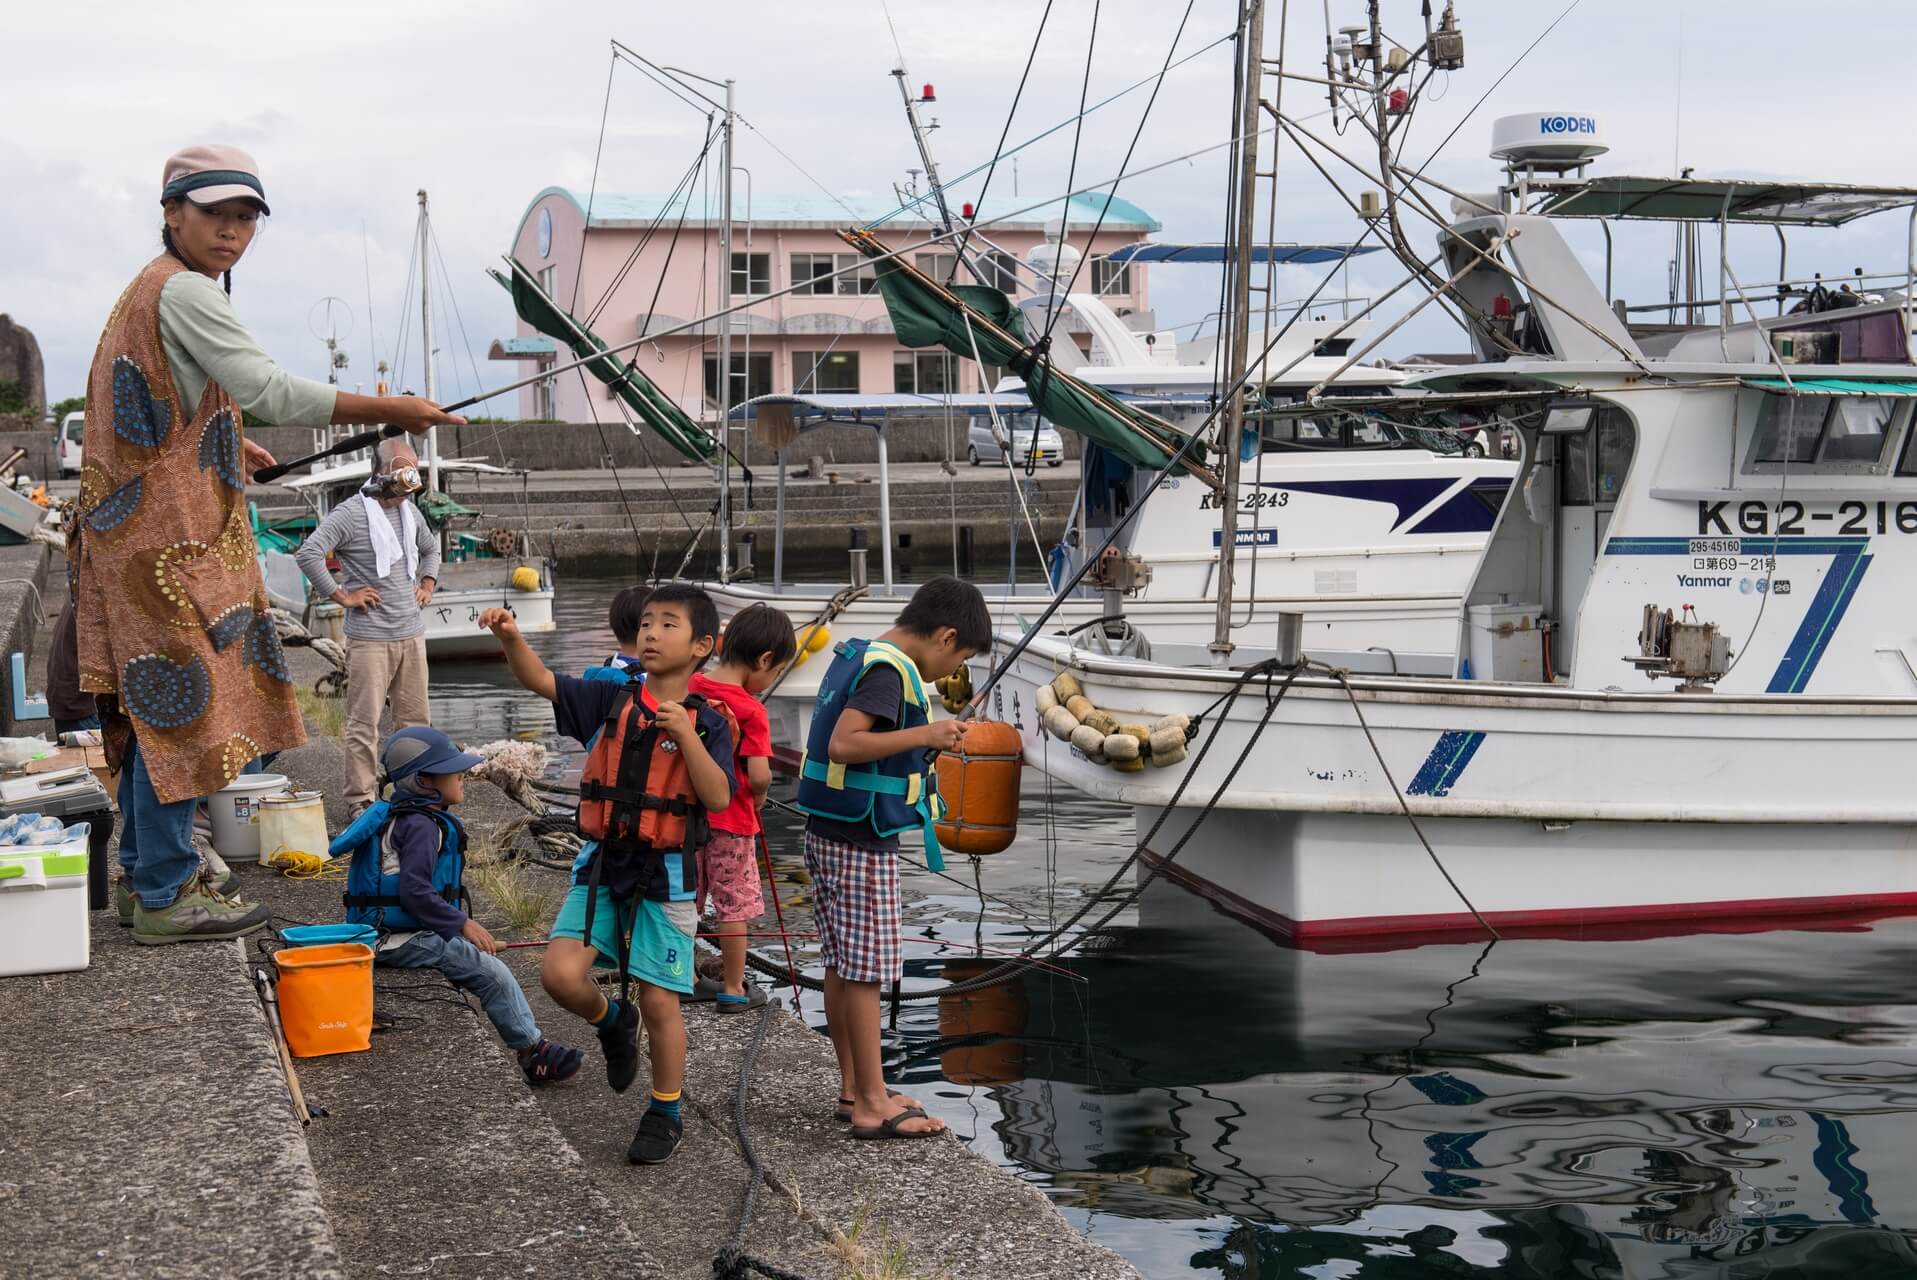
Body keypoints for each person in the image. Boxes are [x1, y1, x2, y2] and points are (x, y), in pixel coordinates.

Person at [75, 143, 462, 945]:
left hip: (134, 540)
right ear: (172, 212)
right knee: (184, 718)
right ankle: (165, 889)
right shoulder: (184, 291)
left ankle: (147, 881)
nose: (231, 231)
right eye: (215, 213)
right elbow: (270, 387)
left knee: (156, 714)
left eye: (246, 217)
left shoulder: (147, 291)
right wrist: (394, 411)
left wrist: (225, 441)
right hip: (168, 552)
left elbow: (183, 397)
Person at [477, 583, 735, 1166]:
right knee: (560, 976)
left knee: (662, 1001)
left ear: (702, 646)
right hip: (601, 866)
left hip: (666, 875)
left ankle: (665, 1110)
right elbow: (541, 681)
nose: (651, 633)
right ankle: (613, 1020)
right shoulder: (610, 697)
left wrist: (687, 736)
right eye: (647, 623)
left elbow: (718, 799)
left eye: (669, 624)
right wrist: (512, 638)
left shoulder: (710, 723)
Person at [793, 577, 992, 1140]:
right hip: (861, 841)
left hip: (831, 832)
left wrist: (917, 737)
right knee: (867, 972)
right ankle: (873, 1104)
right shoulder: (889, 671)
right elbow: (846, 745)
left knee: (839, 964)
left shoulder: (863, 653)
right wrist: (925, 731)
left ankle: (854, 1088)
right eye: (960, 658)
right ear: (945, 635)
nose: (951, 673)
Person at [335, 726, 585, 1085]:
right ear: (424, 782)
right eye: (453, 770)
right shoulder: (421, 827)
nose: (462, 776)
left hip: (387, 932)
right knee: (493, 974)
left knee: (478, 955)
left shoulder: (410, 817)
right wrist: (463, 925)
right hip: (395, 939)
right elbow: (416, 894)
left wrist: (457, 929)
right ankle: (533, 1051)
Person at [295, 439, 441, 814]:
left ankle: (413, 793)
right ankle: (361, 800)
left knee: (415, 722)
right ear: (382, 473)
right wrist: (343, 596)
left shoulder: (410, 513)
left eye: (413, 472)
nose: (408, 485)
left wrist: (427, 583)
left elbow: (431, 547)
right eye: (403, 472)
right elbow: (309, 553)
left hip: (411, 634)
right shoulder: (350, 513)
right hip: (371, 639)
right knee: (364, 726)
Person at [687, 603, 793, 1011]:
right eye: (777, 670)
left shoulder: (691, 687)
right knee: (733, 907)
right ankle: (733, 987)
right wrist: (760, 797)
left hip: (688, 818)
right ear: (765, 660)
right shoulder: (751, 708)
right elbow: (761, 775)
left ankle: (686, 978)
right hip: (732, 822)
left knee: (685, 901)